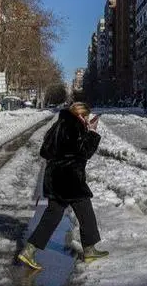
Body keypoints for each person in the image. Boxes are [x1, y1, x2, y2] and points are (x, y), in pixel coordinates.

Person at [18, 102, 107, 270]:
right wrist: (92, 133)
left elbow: (44, 151)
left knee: (52, 215)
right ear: (80, 115)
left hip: (54, 177)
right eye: (86, 116)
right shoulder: (76, 127)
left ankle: (29, 250)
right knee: (86, 213)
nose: (88, 119)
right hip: (70, 179)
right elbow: (84, 153)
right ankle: (89, 250)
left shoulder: (57, 126)